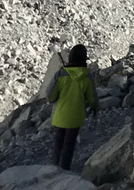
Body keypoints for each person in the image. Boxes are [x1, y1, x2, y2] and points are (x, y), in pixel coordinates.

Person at [45, 43, 97, 171]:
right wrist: (94, 106)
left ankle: (53, 170)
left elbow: (49, 94)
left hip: (60, 116)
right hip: (76, 118)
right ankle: (64, 171)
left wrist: (53, 100)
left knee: (58, 143)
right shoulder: (87, 76)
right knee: (69, 145)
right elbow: (92, 97)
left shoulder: (61, 74)